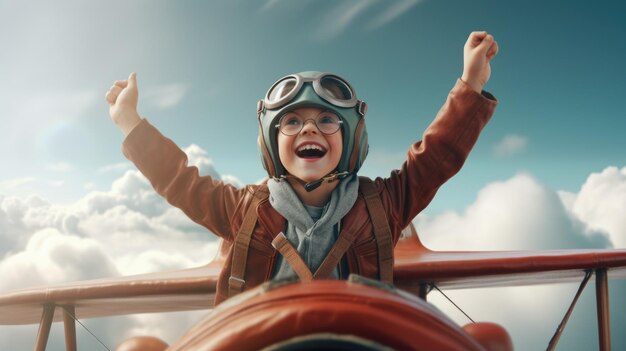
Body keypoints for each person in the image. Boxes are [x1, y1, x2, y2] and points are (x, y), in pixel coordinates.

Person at [105, 31, 499, 305]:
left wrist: (470, 84)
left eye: (327, 121)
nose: (309, 127)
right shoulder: (244, 211)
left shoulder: (383, 206)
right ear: (270, 144)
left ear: (352, 140)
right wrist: (130, 123)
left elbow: (433, 161)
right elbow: (180, 181)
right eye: (291, 122)